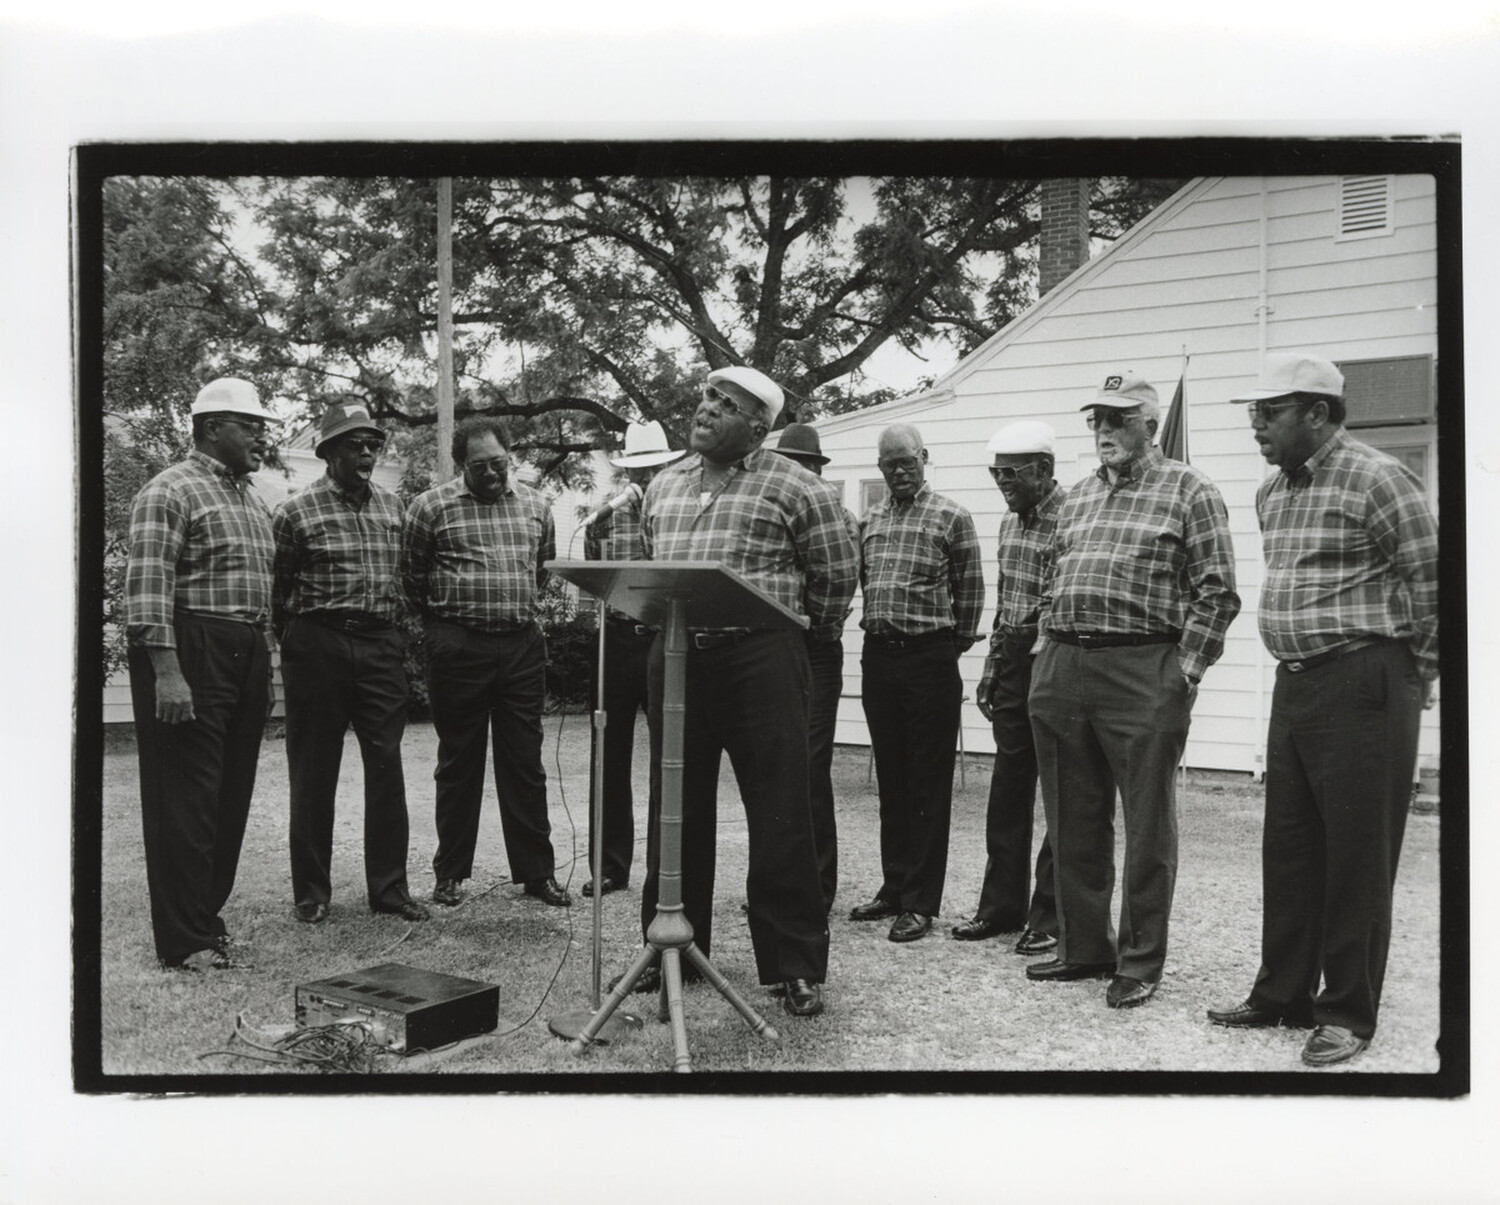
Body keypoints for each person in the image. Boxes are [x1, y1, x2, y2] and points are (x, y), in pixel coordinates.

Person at [1209, 353, 1438, 1067]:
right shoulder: (1272, 492)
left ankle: (1347, 1012)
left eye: (1269, 411)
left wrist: (1411, 677)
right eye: (1254, 411)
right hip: (1297, 682)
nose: (1256, 425)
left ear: (1317, 412)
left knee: (1358, 855)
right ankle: (1282, 993)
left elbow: (1435, 580)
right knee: (1292, 844)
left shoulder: (1377, 477)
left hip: (1366, 679)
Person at [631, 366, 859, 1018]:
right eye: (705, 396)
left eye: (724, 405)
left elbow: (835, 576)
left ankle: (794, 965)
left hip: (761, 658)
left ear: (759, 427)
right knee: (675, 805)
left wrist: (792, 636)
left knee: (782, 810)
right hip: (677, 657)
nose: (705, 410)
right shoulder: (665, 483)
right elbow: (650, 559)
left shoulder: (798, 487)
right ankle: (672, 942)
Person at [1027, 371, 1240, 1009]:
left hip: (1143, 668)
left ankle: (1140, 960)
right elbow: (1051, 574)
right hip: (1065, 664)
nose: (1104, 432)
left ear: (1149, 423)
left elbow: (1217, 590)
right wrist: (1044, 648)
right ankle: (1084, 947)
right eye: (1096, 419)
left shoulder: (1191, 488)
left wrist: (1185, 672)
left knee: (1148, 823)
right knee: (1072, 818)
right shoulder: (1077, 496)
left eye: (1118, 419)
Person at [125, 378, 280, 971]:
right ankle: (184, 939)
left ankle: (206, 920)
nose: (262, 436)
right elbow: (147, 587)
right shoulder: (168, 492)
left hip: (245, 649)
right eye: (251, 425)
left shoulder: (251, 499)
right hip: (191, 646)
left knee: (228, 795)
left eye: (264, 426)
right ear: (212, 427)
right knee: (185, 795)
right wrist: (167, 671)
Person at [401, 415, 569, 909]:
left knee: (525, 764)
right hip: (458, 646)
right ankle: (450, 873)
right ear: (461, 466)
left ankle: (537, 874)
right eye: (481, 466)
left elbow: (542, 571)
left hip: (519, 646)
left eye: (499, 462)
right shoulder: (428, 507)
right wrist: (444, 631)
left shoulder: (538, 505)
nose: (493, 473)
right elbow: (411, 578)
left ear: (509, 457)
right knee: (459, 762)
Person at [272, 400, 428, 926]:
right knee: (314, 771)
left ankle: (389, 890)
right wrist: (300, 646)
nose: (365, 453)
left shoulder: (394, 509)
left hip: (381, 646)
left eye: (371, 444)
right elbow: (279, 591)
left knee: (387, 768)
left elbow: (409, 577)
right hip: (318, 645)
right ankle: (312, 893)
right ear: (328, 453)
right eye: (353, 444)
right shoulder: (294, 512)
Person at [849, 423, 985, 943]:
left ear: (924, 457)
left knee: (927, 781)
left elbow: (970, 593)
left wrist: (946, 645)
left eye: (906, 462)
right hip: (879, 657)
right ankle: (893, 887)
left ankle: (921, 902)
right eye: (889, 466)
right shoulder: (872, 519)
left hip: (930, 657)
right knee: (892, 777)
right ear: (880, 469)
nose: (899, 472)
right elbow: (867, 582)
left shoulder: (953, 516)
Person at [951, 420, 1060, 957]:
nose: (1001, 481)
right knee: (1008, 790)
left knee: (1063, 791)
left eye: (1011, 472)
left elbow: (1054, 602)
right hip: (1016, 658)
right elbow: (1007, 605)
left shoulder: (1073, 518)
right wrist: (994, 667)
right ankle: (1000, 908)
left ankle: (1050, 915)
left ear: (1045, 469)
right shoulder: (1008, 526)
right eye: (995, 472)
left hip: (1057, 656)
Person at [581, 420, 685, 897]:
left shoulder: (680, 507)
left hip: (664, 640)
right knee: (610, 754)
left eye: (654, 467)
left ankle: (667, 869)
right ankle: (609, 866)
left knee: (672, 757)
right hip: (617, 640)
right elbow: (595, 577)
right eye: (637, 469)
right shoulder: (606, 515)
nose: (646, 478)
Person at [769, 421, 858, 917]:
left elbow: (840, 582)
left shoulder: (834, 514)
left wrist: (816, 629)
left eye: (802, 465)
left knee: (808, 766)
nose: (794, 473)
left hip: (816, 645)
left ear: (816, 469)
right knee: (776, 768)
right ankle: (782, 881)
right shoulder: (771, 507)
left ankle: (817, 886)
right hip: (774, 648)